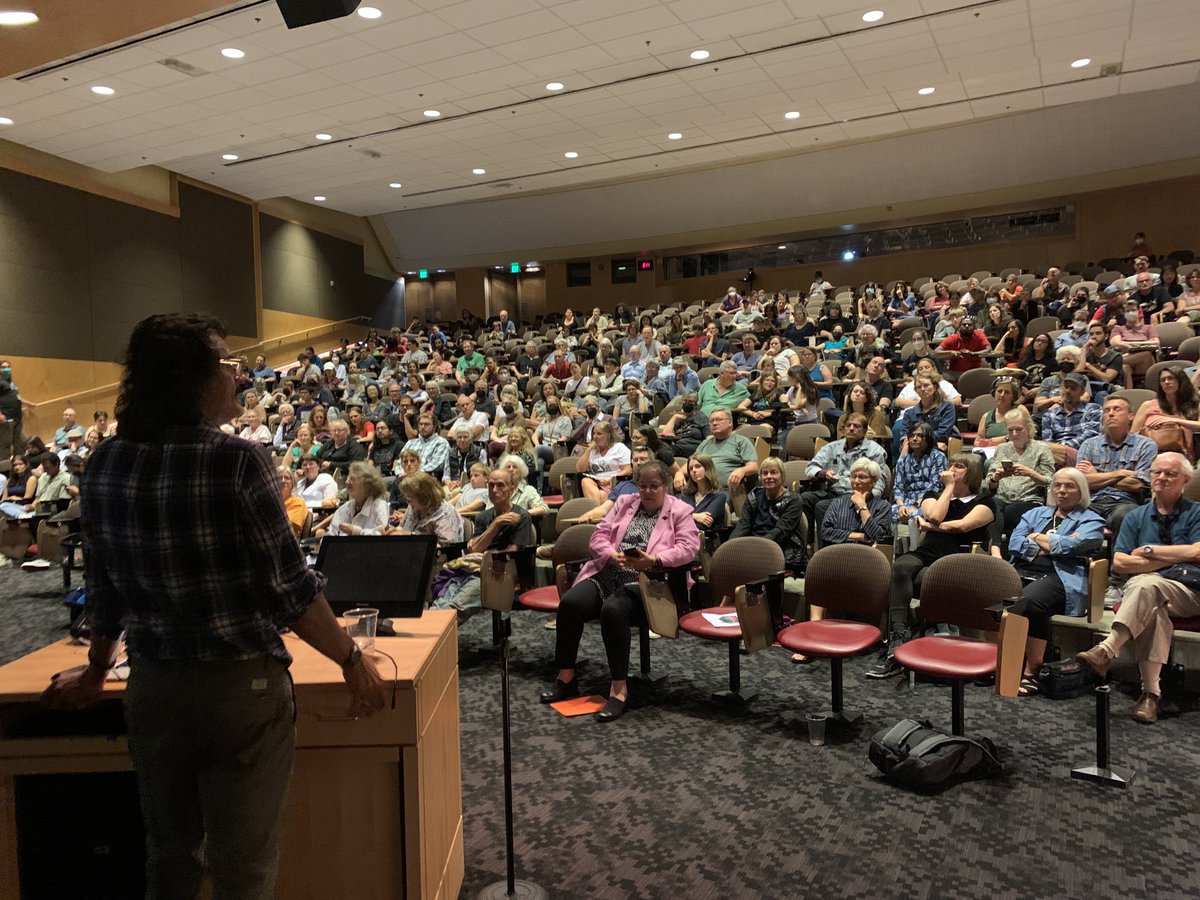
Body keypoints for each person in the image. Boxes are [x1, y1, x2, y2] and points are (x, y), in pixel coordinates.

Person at [40, 313, 385, 899]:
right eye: (228, 365)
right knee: (243, 870)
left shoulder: (104, 462)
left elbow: (106, 588)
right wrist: (352, 660)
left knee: (168, 859)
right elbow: (290, 593)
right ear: (194, 380)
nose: (240, 377)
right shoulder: (236, 461)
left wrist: (99, 669)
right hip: (239, 691)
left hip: (152, 687)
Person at [540, 461, 700, 721]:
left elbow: (688, 549)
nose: (647, 491)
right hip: (610, 573)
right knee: (570, 604)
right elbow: (598, 537)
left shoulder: (680, 510)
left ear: (665, 486)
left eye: (653, 486)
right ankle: (566, 677)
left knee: (613, 610)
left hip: (650, 582)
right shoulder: (625, 503)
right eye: (642, 486)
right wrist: (611, 554)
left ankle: (618, 690)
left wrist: (654, 561)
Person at [1076, 453, 1200, 724]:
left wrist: (1150, 551)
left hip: (1190, 591)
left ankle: (1107, 649)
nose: (1161, 478)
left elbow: (1198, 551)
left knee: (1146, 583)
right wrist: (1180, 555)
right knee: (1152, 603)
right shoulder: (1135, 516)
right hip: (1148, 593)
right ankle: (1150, 695)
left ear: (1186, 480)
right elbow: (1120, 562)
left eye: (1170, 474)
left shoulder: (1197, 513)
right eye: (1157, 472)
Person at [868, 454, 995, 678]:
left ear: (973, 472)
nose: (951, 469)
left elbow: (961, 527)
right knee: (899, 568)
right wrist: (948, 490)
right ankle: (898, 636)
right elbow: (935, 515)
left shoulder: (984, 501)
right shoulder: (932, 496)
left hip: (957, 559)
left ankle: (917, 640)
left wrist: (931, 527)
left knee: (921, 580)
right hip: (926, 553)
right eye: (950, 465)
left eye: (959, 466)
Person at [1008, 469, 1106, 696]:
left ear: (1081, 491)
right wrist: (1049, 546)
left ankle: (1032, 670)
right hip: (1023, 569)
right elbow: (1014, 542)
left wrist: (1035, 538)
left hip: (1061, 578)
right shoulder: (1036, 513)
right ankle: (1000, 662)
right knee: (992, 590)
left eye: (1069, 486)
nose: (1062, 491)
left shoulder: (1091, 519)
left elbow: (1073, 546)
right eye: (1057, 486)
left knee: (1030, 601)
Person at [433, 466, 535, 616]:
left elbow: (514, 550)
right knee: (441, 600)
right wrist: (495, 525)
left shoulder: (521, 516)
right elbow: (474, 550)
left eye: (500, 485)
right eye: (491, 485)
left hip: (498, 571)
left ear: (511, 489)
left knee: (456, 605)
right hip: (472, 569)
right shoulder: (483, 517)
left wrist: (486, 556)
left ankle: (437, 632)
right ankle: (429, 630)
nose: (494, 490)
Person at [1076, 395, 1155, 543]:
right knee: (1069, 514)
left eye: (1116, 409)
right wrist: (1120, 473)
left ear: (1131, 416)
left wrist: (1097, 475)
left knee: (1126, 515)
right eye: (1106, 410)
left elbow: (1138, 484)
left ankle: (1118, 563)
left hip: (1125, 502)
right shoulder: (1089, 444)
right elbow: (1081, 482)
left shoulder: (1145, 445)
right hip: (1092, 501)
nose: (1110, 413)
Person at [799, 413, 888, 540]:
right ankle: (809, 543)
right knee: (805, 498)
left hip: (856, 493)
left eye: (856, 426)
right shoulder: (832, 447)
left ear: (864, 431)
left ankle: (825, 544)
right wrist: (824, 473)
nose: (851, 428)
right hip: (834, 490)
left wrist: (868, 498)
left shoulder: (875, 451)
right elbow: (810, 468)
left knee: (822, 506)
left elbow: (879, 481)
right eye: (848, 425)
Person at [985, 407, 1055, 547]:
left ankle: (1008, 548)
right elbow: (988, 483)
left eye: (1019, 429)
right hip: (1002, 498)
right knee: (988, 507)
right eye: (1010, 430)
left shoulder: (1041, 449)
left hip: (1029, 500)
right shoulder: (1002, 449)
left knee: (1011, 511)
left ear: (1028, 428)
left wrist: (1031, 474)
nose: (1014, 433)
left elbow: (1051, 482)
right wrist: (996, 478)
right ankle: (995, 547)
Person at [819, 458, 893, 548]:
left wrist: (862, 506)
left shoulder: (883, 507)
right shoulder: (838, 503)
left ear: (874, 481)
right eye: (854, 477)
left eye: (862, 477)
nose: (856, 481)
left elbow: (879, 537)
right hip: (839, 555)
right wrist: (860, 536)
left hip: (868, 558)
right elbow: (825, 532)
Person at [679, 408, 758, 489]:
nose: (714, 423)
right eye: (711, 421)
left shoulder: (741, 441)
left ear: (730, 422)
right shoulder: (705, 443)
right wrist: (680, 473)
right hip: (704, 490)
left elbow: (754, 467)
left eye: (719, 420)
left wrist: (742, 471)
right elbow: (690, 464)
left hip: (728, 490)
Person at [1132, 366, 1200, 458]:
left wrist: (1174, 421)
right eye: (1163, 380)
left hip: (1181, 457)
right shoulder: (1148, 405)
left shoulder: (1195, 405)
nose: (1166, 382)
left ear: (1181, 381)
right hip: (1149, 456)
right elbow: (1133, 435)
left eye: (1171, 378)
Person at [386, 471, 465, 544]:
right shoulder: (413, 507)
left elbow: (446, 546)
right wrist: (393, 531)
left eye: (410, 497)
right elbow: (403, 529)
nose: (407, 501)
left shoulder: (445, 513)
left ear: (423, 496)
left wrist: (410, 537)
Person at [1040, 372, 1101, 466]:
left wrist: (1063, 447)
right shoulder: (1049, 414)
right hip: (1054, 455)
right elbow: (1047, 440)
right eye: (1066, 387)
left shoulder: (1093, 409)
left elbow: (1090, 435)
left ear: (1082, 392)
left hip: (1081, 454)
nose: (1067, 391)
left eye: (1073, 388)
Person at [892, 421, 947, 523]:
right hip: (906, 502)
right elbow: (898, 487)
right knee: (887, 513)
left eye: (920, 436)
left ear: (928, 439)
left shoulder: (938, 457)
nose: (915, 439)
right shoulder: (903, 461)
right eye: (912, 435)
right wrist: (900, 506)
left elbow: (935, 486)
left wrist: (915, 506)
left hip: (929, 501)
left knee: (916, 515)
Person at [317, 460, 389, 537]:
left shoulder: (379, 506)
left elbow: (382, 536)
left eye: (352, 479)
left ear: (366, 484)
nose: (347, 482)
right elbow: (332, 534)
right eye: (348, 477)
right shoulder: (344, 508)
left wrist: (356, 531)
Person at [577, 421, 632, 501]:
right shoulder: (593, 451)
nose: (595, 437)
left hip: (615, 483)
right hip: (596, 486)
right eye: (594, 434)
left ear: (608, 435)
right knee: (585, 481)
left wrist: (609, 480)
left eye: (599, 434)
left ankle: (595, 511)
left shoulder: (619, 448)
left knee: (602, 495)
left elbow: (628, 470)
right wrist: (589, 450)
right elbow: (579, 469)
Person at [679, 454, 729, 531]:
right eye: (691, 468)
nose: (694, 471)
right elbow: (670, 516)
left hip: (704, 540)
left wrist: (682, 517)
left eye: (698, 466)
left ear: (708, 468)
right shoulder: (686, 496)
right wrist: (695, 516)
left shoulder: (719, 497)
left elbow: (702, 525)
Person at [973, 375, 1022, 448]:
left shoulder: (1020, 410)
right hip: (989, 452)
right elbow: (977, 441)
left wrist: (1005, 439)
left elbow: (1028, 434)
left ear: (1013, 396)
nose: (1002, 395)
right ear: (994, 393)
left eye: (1007, 392)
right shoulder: (986, 416)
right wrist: (983, 443)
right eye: (999, 391)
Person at [402, 412, 450, 479]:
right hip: (406, 476)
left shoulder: (441, 443)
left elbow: (435, 464)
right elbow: (399, 462)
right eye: (420, 424)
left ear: (434, 426)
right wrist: (400, 472)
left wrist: (413, 473)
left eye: (426, 424)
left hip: (428, 478)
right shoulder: (410, 443)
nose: (423, 427)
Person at [278, 467, 309, 538]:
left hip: (287, 541)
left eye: (287, 478)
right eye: (279, 478)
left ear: (292, 482)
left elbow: (287, 526)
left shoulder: (297, 502)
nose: (283, 481)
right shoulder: (271, 501)